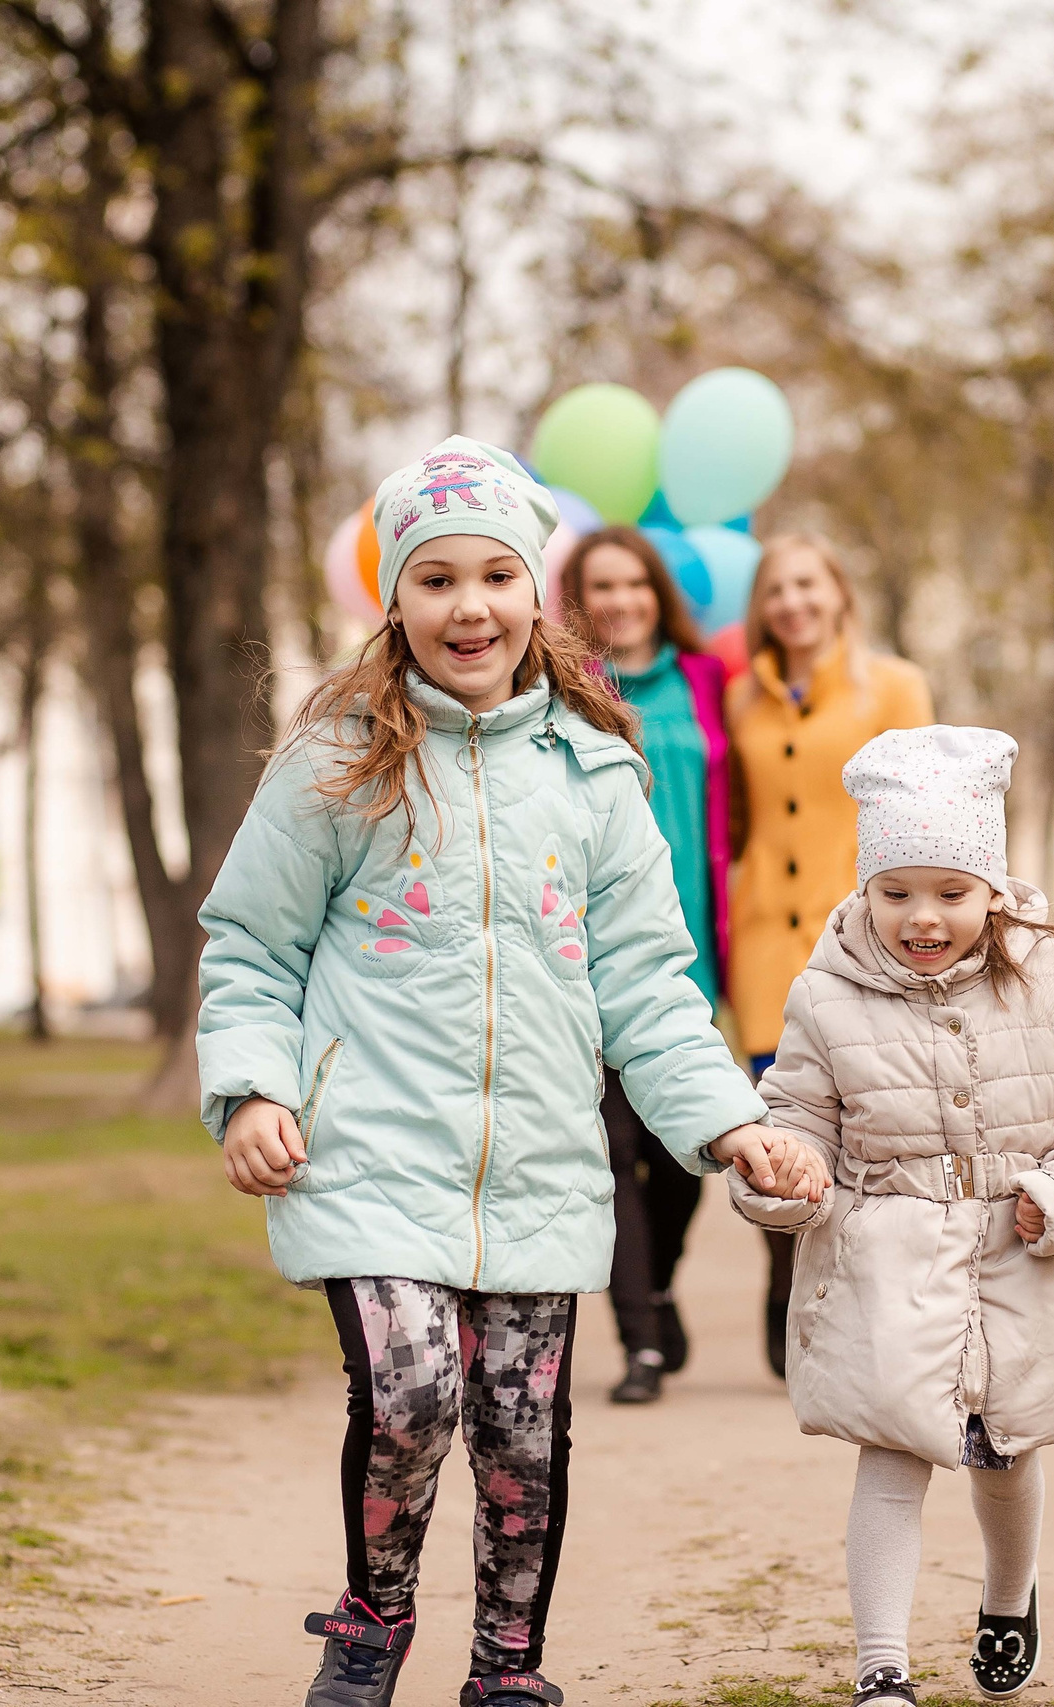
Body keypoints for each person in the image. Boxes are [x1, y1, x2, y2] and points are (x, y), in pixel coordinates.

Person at [196, 437, 828, 1707]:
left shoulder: (594, 774)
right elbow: (251, 945)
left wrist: (730, 1124)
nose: (469, 606)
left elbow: (648, 982)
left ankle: (507, 1671)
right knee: (413, 1389)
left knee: (520, 1437)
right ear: (396, 600)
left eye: (496, 575)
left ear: (535, 593)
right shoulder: (335, 765)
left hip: (538, 1157)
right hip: (368, 1141)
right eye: (435, 580)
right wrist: (254, 1087)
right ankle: (373, 1621)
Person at [730, 725, 1054, 1706]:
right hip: (888, 1251)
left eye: (951, 894)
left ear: (992, 891)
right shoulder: (825, 993)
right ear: (866, 888)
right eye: (896, 892)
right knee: (894, 1449)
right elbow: (795, 1118)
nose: (923, 917)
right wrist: (778, 1174)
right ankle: (881, 1666)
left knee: (1004, 1447)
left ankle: (1008, 1597)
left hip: (1020, 1247)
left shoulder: (1048, 976)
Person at [724, 534, 933, 1375]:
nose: (792, 603)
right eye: (776, 589)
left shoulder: (895, 684)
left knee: (877, 1129)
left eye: (807, 584)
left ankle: (884, 1310)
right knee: (783, 1129)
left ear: (838, 591)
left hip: (865, 939)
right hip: (769, 940)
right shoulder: (742, 697)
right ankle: (787, 1286)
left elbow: (929, 812)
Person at [558, 526, 735, 1406]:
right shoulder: (552, 691)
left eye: (634, 583)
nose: (620, 601)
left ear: (658, 593)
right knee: (613, 1146)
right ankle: (642, 1343)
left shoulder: (708, 685)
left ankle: (658, 1288)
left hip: (696, 949)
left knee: (679, 1148)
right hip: (586, 956)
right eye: (601, 587)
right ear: (576, 603)